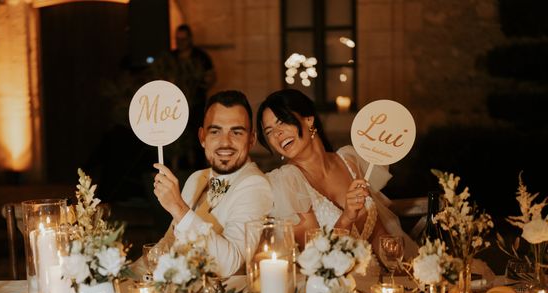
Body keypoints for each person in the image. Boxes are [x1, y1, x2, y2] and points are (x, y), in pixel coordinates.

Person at [256, 89, 417, 257]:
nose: (277, 133)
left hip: (376, 277)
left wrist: (402, 270)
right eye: (269, 131)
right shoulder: (287, 182)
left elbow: (378, 234)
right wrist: (347, 218)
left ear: (309, 119)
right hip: (332, 281)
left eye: (282, 121)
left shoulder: (350, 161)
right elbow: (317, 258)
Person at [150, 90, 273, 277]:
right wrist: (131, 274)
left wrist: (178, 208)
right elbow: (168, 243)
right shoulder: (195, 178)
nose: (225, 142)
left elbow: (230, 263)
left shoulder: (255, 185)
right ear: (202, 138)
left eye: (237, 132)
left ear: (251, 140)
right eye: (215, 131)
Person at [163, 24, 216, 170]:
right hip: (175, 107)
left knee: (197, 137)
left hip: (196, 104)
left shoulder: (200, 56)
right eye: (178, 39)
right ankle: (179, 169)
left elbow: (211, 77)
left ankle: (198, 169)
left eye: (184, 39)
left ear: (190, 39)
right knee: (177, 140)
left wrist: (200, 85)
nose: (181, 42)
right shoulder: (171, 57)